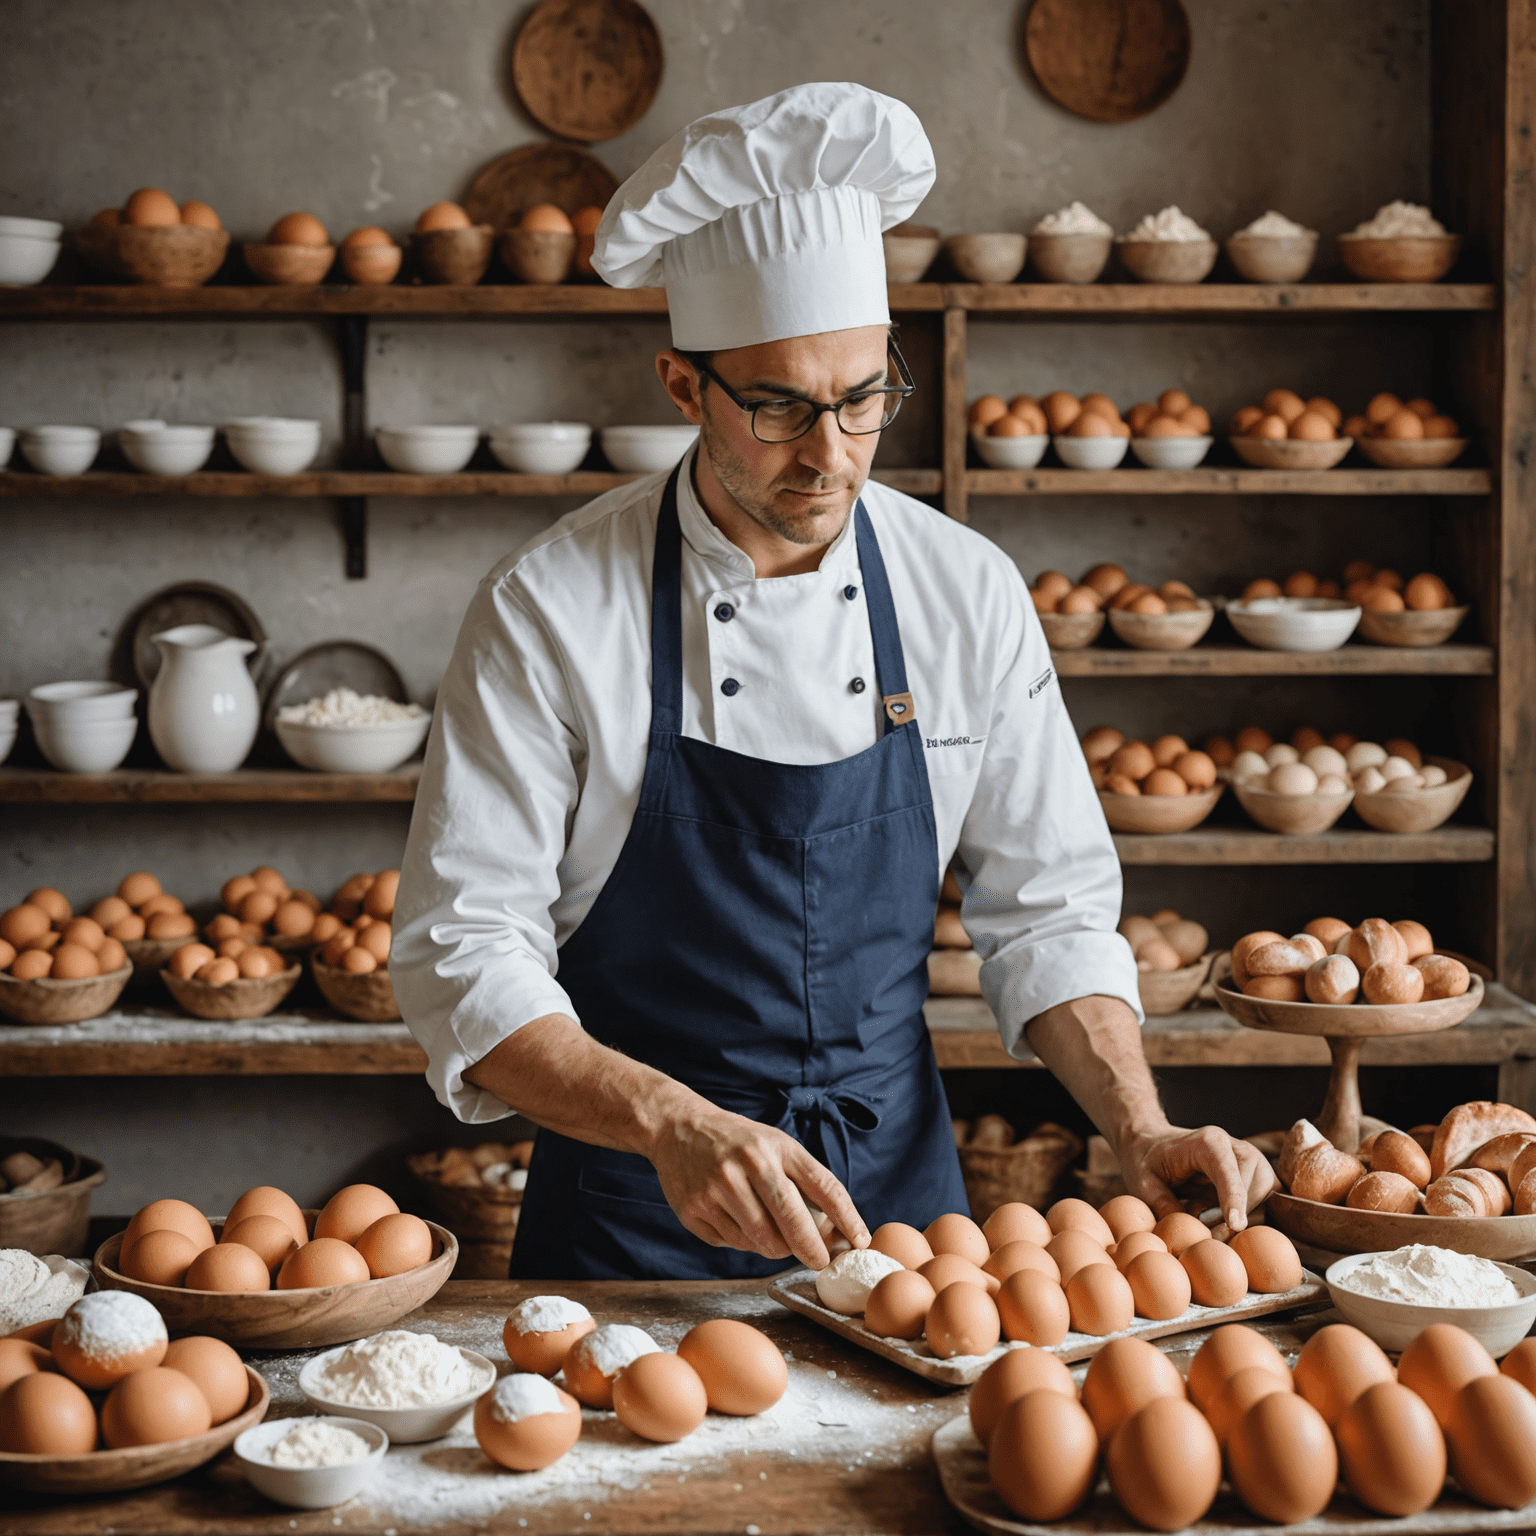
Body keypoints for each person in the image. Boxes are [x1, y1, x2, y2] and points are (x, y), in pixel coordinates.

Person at [394, 82, 1276, 1281]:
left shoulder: (962, 592)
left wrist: (1140, 1124)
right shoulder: (549, 610)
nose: (831, 455)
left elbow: (1050, 911)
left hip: (905, 1229)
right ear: (681, 386)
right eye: (778, 407)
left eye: (864, 399)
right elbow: (463, 951)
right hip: (637, 1213)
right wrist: (677, 1124)